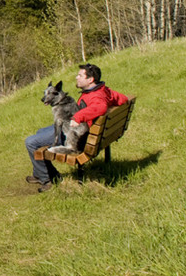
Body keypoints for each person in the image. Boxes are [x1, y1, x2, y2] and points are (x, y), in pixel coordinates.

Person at [24, 63, 129, 192]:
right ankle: (40, 172)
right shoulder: (102, 90)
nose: (76, 77)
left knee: (31, 142)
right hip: (85, 132)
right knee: (39, 132)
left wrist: (78, 117)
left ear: (90, 80)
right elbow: (123, 99)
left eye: (80, 75)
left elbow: (100, 107)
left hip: (76, 135)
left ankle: (48, 178)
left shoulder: (96, 96)